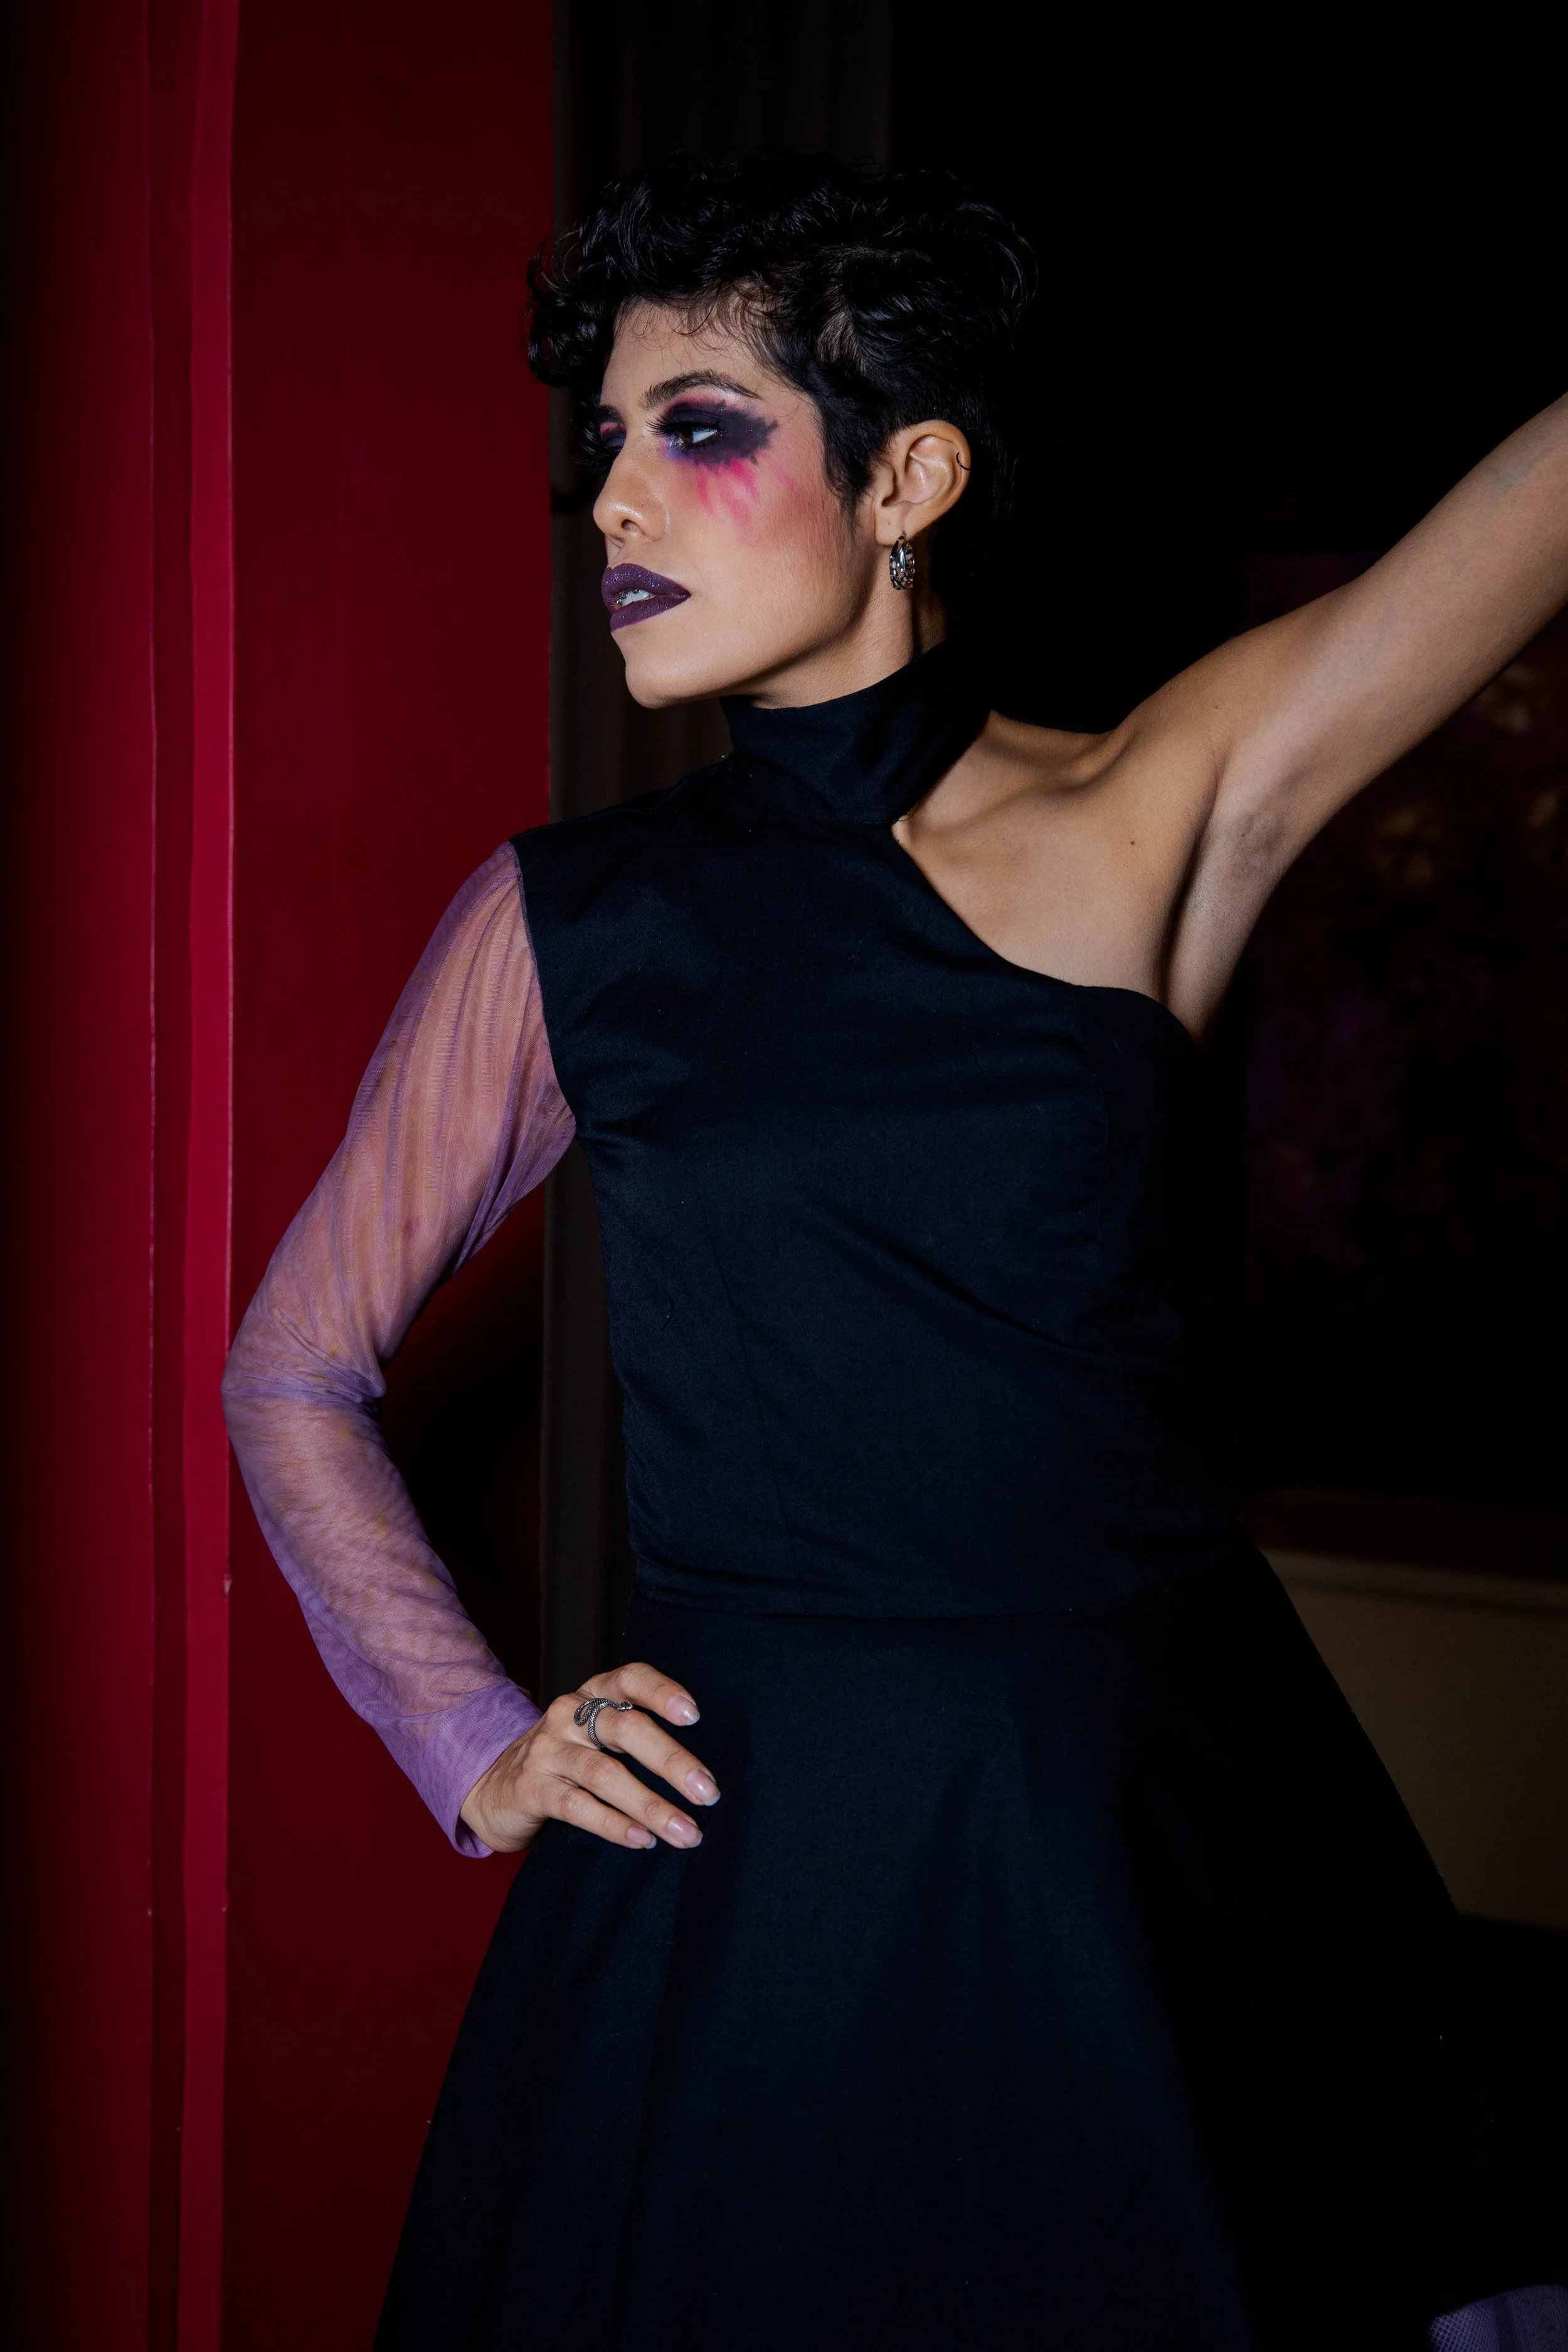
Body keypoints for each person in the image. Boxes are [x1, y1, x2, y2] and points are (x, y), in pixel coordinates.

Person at [223, 154, 1568, 2351]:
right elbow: (291, 1369)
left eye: (698, 428)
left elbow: (1518, 523)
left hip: (1159, 1826)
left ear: (908, 478)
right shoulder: (569, 925)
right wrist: (472, 1736)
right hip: (770, 1856)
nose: (612, 501)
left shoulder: (1147, 805)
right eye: (603, 445)